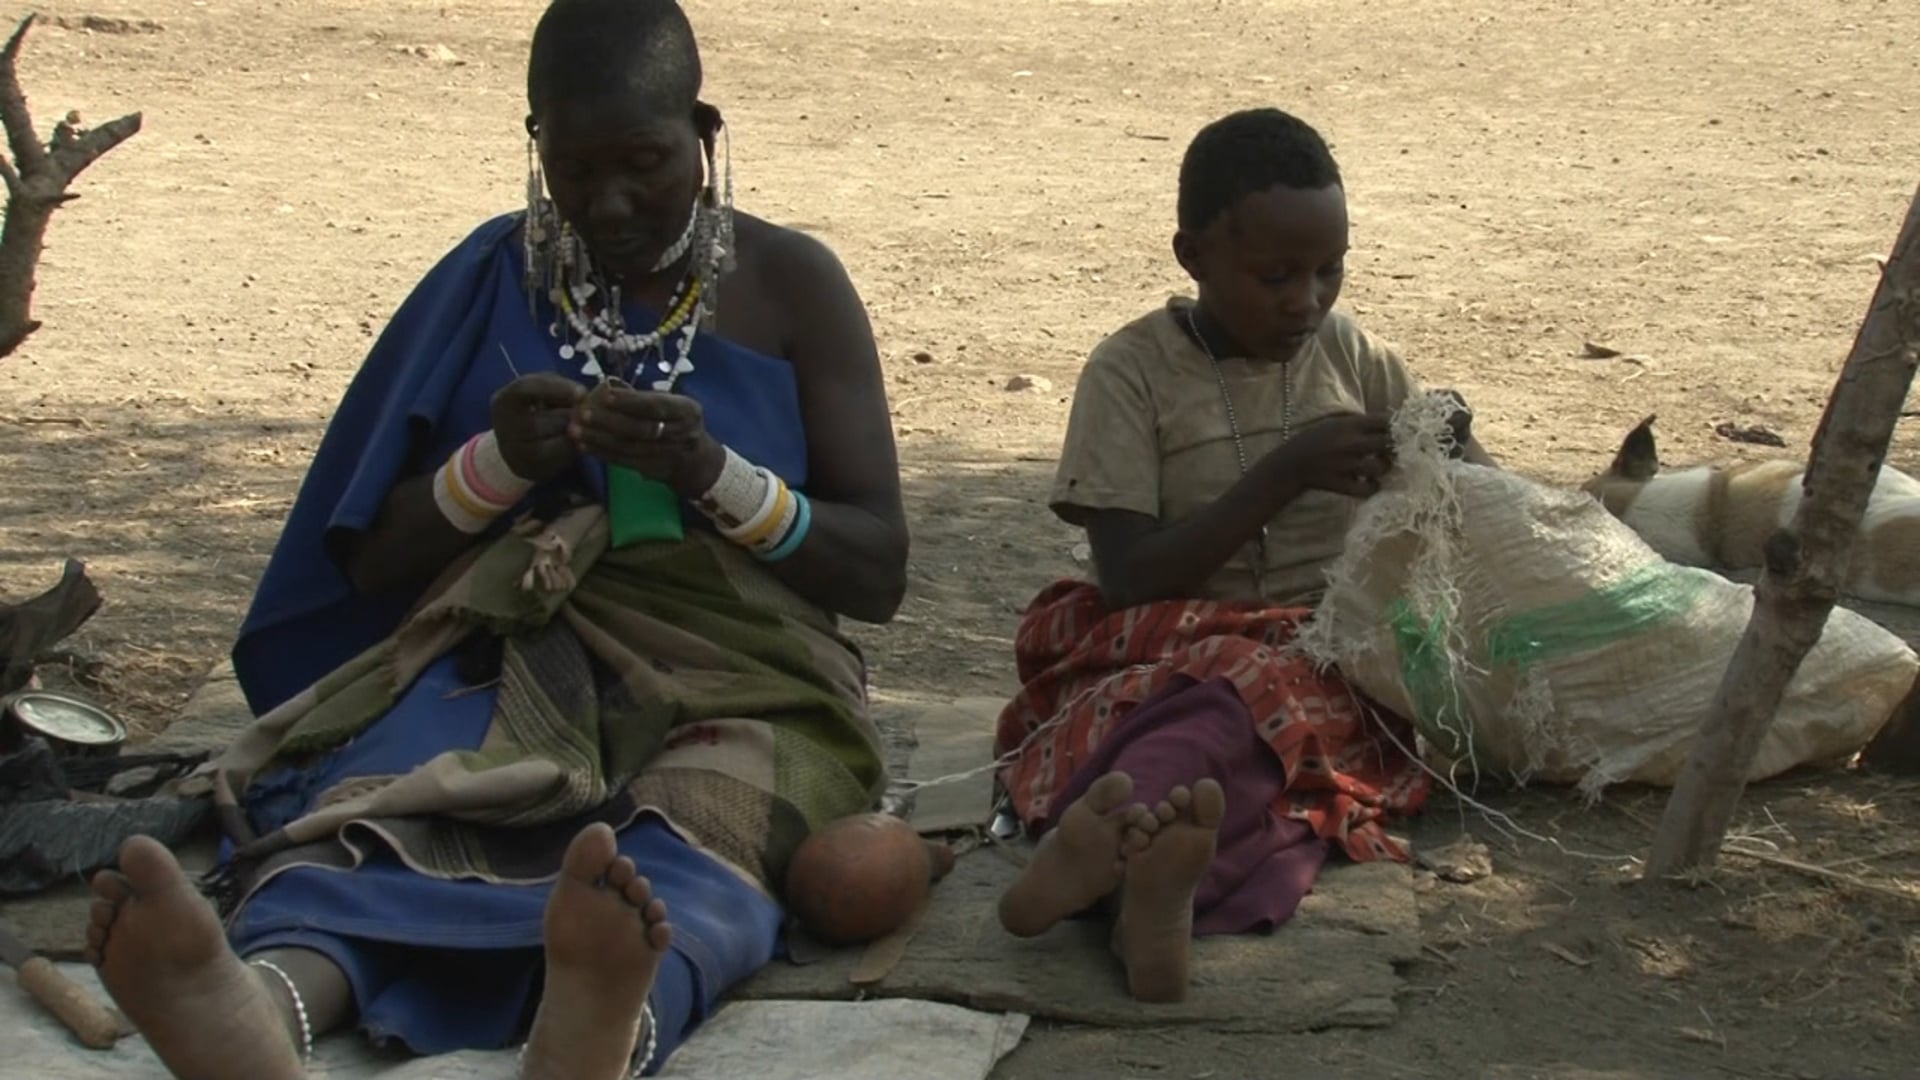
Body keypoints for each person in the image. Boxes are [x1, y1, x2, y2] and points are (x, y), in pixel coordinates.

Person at [79, 2, 908, 1078]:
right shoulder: (489, 281)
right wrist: (497, 466)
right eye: (574, 168)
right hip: (507, 653)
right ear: (535, 146)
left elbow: (876, 570)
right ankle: (262, 1008)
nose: (610, 204)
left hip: (748, 675)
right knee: (394, 794)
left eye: (646, 164)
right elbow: (371, 564)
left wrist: (718, 478)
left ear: (704, 132)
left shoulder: (794, 285)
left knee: (711, 820)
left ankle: (607, 1019)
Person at [993, 108, 1495, 1003]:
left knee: (1281, 781)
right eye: (1276, 276)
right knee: (1237, 701)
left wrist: (1460, 444)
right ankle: (1128, 860)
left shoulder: (1357, 358)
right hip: (1161, 641)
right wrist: (1288, 470)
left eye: (1329, 272)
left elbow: (1476, 510)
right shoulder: (1131, 372)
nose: (1307, 299)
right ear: (1193, 257)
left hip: (1325, 652)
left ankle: (1124, 866)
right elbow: (1130, 577)